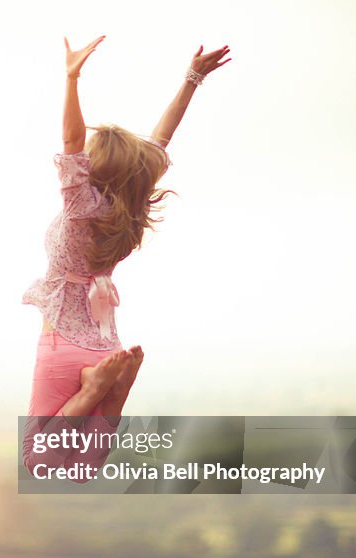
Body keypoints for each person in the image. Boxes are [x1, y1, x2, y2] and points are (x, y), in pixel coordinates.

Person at [21, 35, 231, 481]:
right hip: (104, 344)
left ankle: (101, 392)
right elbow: (162, 137)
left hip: (67, 344)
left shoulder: (81, 206)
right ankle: (108, 394)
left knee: (42, 463)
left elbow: (71, 137)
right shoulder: (130, 206)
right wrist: (191, 80)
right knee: (72, 471)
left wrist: (72, 77)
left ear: (94, 167)